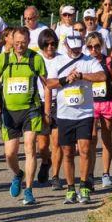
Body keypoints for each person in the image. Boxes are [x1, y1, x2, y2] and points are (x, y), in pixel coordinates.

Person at [0, 27, 48, 206]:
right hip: (9, 111)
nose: (20, 46)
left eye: (23, 42)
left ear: (29, 42)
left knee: (30, 148)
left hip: (31, 109)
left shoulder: (36, 59)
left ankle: (28, 190)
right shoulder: (4, 58)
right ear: (12, 41)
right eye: (17, 42)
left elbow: (47, 85)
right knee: (10, 153)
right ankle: (17, 174)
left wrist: (47, 109)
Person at [45, 33, 106, 204]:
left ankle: (84, 186)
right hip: (65, 114)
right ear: (66, 46)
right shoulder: (57, 61)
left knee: (85, 150)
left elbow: (102, 76)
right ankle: (71, 189)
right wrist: (66, 79)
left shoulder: (89, 60)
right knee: (68, 152)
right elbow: (49, 83)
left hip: (85, 113)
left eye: (79, 49)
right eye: (73, 49)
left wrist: (81, 76)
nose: (76, 52)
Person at [86, 32, 112, 188]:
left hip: (108, 102)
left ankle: (106, 174)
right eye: (90, 47)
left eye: (96, 46)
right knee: (91, 139)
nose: (93, 50)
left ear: (101, 46)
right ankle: (89, 175)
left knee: (106, 139)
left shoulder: (109, 61)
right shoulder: (85, 62)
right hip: (91, 104)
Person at [37, 29, 64, 189]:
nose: (50, 47)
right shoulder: (36, 59)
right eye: (46, 44)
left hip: (59, 103)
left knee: (57, 142)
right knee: (42, 145)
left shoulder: (62, 59)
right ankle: (45, 161)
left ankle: (55, 176)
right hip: (39, 103)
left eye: (53, 44)